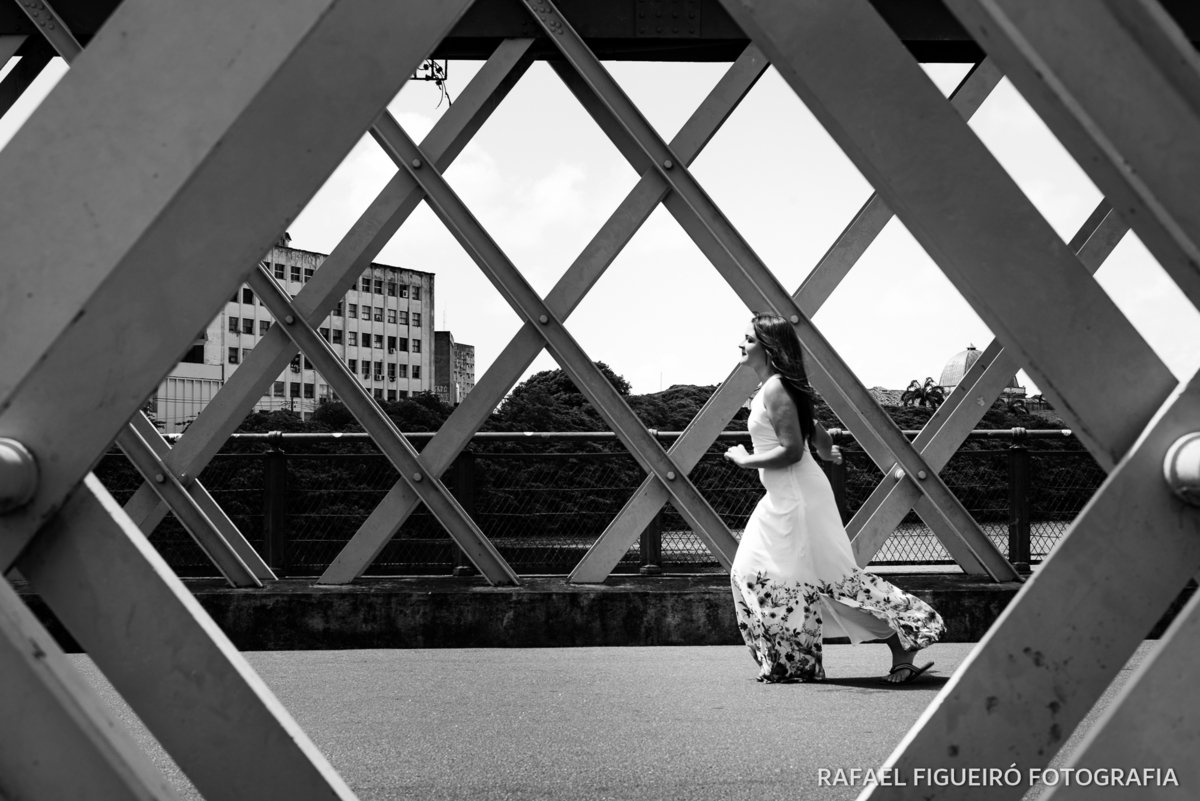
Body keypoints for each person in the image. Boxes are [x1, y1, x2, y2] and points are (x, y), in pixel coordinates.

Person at [724, 313, 944, 684]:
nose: (740, 345)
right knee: (758, 574)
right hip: (784, 497)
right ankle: (794, 661)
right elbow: (812, 430)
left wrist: (746, 459)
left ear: (768, 346)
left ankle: (903, 637)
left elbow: (792, 450)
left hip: (798, 500)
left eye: (748, 339)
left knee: (828, 581)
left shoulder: (777, 388)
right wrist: (826, 452)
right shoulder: (775, 388)